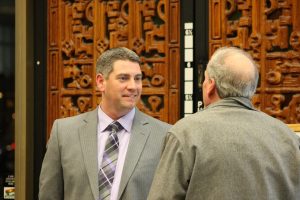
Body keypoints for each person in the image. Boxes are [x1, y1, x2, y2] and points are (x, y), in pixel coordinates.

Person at [147, 47, 300, 200]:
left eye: (205, 79)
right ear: (252, 89)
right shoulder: (287, 136)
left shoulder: (185, 133)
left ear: (211, 86)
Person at [39, 47, 171, 200]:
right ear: (101, 82)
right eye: (123, 78)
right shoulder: (63, 132)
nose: (133, 86)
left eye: (137, 78)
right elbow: (49, 195)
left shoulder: (164, 136)